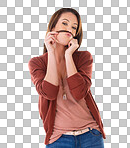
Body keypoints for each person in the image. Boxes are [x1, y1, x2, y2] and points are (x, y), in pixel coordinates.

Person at [28, 8, 106, 148]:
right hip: (59, 139)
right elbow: (50, 93)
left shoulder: (83, 57)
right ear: (53, 27)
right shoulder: (37, 63)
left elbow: (79, 92)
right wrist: (51, 52)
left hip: (91, 136)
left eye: (74, 27)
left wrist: (68, 55)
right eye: (65, 23)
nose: (69, 29)